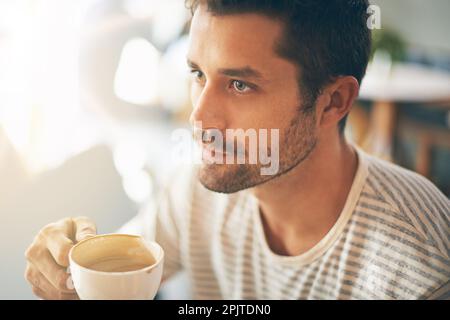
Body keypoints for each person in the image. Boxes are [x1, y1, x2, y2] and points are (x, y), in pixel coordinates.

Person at [24, 0, 449, 300]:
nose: (199, 118)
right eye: (197, 74)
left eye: (240, 85)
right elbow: (124, 266)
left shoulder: (419, 266)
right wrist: (69, 274)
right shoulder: (197, 190)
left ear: (333, 101)